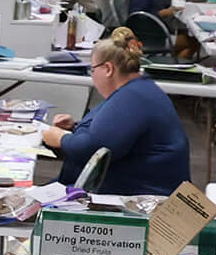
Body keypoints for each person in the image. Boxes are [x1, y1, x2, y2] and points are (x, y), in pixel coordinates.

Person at [40, 29, 191, 196]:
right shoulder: (140, 90)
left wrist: (62, 139)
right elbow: (113, 133)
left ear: (108, 68)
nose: (93, 76)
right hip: (140, 187)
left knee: (29, 203)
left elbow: (91, 149)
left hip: (141, 197)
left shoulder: (132, 98)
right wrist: (74, 128)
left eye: (93, 70)